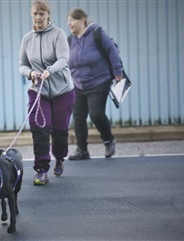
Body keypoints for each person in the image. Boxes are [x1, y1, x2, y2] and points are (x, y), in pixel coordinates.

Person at [19, 0, 75, 185]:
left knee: (59, 131)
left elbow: (63, 59)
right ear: (31, 15)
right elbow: (22, 65)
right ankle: (41, 169)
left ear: (48, 15)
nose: (38, 17)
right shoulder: (27, 38)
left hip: (62, 91)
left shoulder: (58, 34)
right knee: (39, 129)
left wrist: (50, 70)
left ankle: (59, 158)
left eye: (42, 14)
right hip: (38, 90)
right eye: (35, 13)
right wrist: (30, 73)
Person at [67, 8, 122, 160]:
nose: (69, 24)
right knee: (78, 117)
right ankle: (82, 150)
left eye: (72, 20)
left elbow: (111, 50)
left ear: (83, 19)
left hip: (99, 81)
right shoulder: (70, 40)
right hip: (79, 84)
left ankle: (108, 140)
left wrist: (118, 71)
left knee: (96, 114)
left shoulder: (96, 33)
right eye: (68, 21)